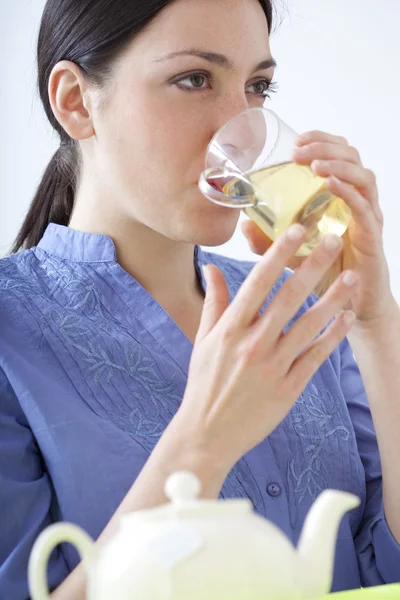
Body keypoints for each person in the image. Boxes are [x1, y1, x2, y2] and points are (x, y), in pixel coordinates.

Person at [1, 0, 400, 597]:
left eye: (258, 86)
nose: (240, 129)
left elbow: (382, 569)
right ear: (76, 102)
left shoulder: (301, 308)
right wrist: (201, 445)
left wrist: (375, 323)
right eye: (194, 79)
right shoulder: (12, 332)